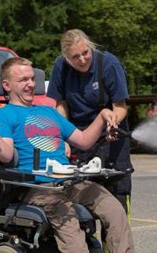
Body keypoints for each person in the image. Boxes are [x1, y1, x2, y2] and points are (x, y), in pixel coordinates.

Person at [0, 57, 157, 253]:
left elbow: (83, 141)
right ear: (6, 85)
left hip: (67, 180)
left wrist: (103, 115)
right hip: (36, 186)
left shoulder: (49, 113)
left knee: (110, 203)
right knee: (63, 211)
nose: (31, 84)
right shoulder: (4, 116)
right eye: (23, 79)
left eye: (32, 78)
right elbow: (5, 155)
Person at [46, 29, 133, 218]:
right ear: (66, 58)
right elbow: (61, 106)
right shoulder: (60, 67)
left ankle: (115, 246)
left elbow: (120, 106)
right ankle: (88, 245)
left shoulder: (109, 64)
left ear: (90, 47)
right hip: (79, 135)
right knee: (81, 193)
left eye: (85, 53)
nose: (83, 60)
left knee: (117, 192)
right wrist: (64, 138)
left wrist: (112, 122)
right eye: (75, 57)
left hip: (111, 134)